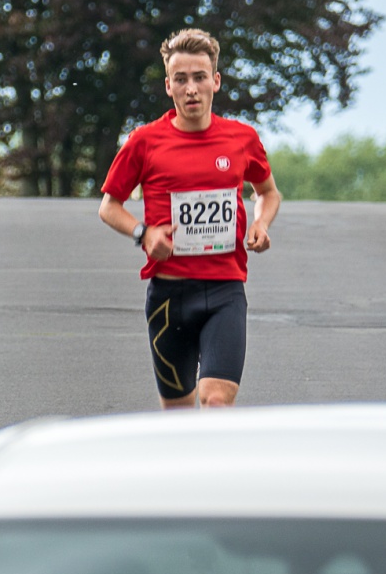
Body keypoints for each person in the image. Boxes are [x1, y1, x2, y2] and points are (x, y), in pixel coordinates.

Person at [99, 28, 281, 409]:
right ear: (168, 85)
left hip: (224, 292)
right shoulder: (144, 142)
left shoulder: (241, 138)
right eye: (181, 79)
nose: (191, 89)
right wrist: (144, 233)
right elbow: (109, 206)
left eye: (200, 77)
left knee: (216, 401)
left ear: (215, 81)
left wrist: (261, 224)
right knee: (179, 421)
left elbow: (267, 192)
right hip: (169, 298)